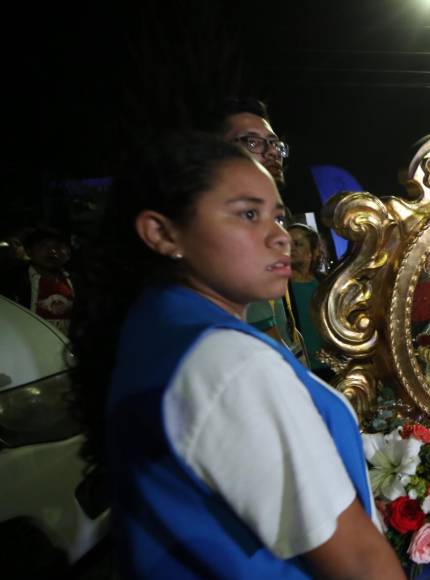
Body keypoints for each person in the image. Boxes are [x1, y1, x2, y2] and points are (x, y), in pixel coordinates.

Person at [68, 132, 401, 578]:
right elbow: (358, 561)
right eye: (248, 214)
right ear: (163, 233)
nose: (280, 237)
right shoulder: (230, 361)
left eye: (278, 217)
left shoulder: (156, 326)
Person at [213, 97, 304, 362]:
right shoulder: (224, 229)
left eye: (274, 143)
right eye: (253, 142)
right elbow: (263, 331)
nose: (272, 151)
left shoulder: (272, 222)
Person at [1, 226, 76, 334]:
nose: (53, 252)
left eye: (58, 246)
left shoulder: (76, 281)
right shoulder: (14, 280)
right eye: (44, 246)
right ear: (29, 252)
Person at [287, 223, 332, 378]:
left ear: (313, 252)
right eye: (286, 243)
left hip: (331, 367)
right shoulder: (280, 290)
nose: (290, 248)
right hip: (301, 371)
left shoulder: (326, 284)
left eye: (298, 244)